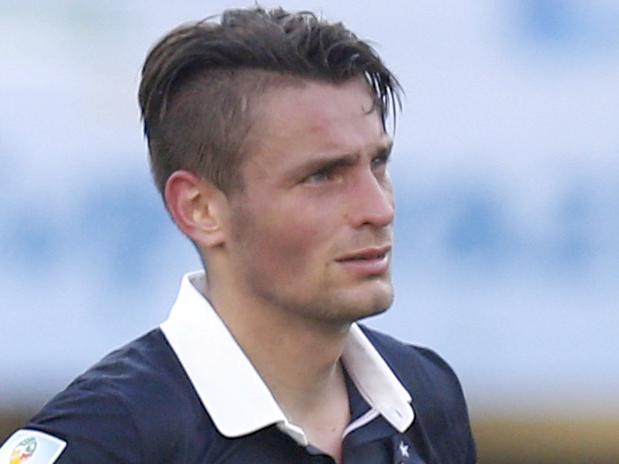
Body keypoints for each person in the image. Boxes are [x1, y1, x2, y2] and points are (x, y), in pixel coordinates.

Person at [0, 6, 476, 463]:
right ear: (201, 209)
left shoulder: (426, 395)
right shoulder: (105, 440)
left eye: (378, 163)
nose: (379, 207)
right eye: (322, 176)